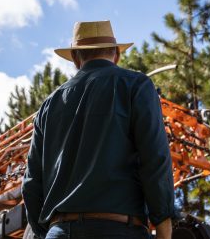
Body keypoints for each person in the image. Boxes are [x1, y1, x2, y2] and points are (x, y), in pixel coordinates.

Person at [22, 20, 174, 239]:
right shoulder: (135, 85)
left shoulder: (49, 105)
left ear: (75, 59)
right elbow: (155, 159)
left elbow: (31, 183)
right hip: (120, 230)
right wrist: (163, 228)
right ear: (117, 54)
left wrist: (49, 232)